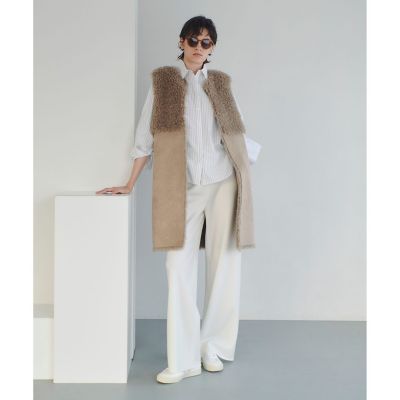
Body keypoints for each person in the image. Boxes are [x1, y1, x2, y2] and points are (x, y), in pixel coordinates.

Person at [96, 15, 255, 384]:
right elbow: (145, 137)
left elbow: (236, 132)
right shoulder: (164, 83)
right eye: (193, 40)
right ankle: (183, 358)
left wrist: (247, 169)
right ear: (181, 42)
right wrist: (129, 183)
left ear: (212, 48)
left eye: (206, 42)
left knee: (225, 264)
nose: (199, 48)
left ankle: (211, 345)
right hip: (181, 187)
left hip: (223, 182)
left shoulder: (221, 83)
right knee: (177, 268)